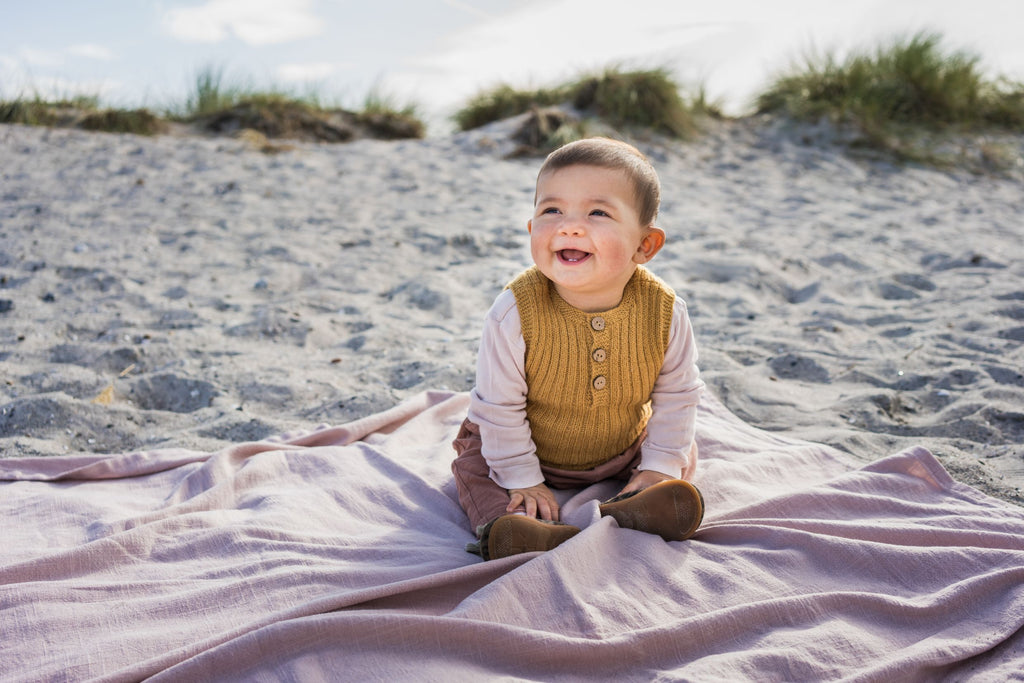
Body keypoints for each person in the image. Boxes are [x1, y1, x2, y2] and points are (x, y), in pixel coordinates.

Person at [452, 137, 705, 560]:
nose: (569, 226)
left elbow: (678, 396)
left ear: (645, 245)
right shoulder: (515, 310)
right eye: (552, 210)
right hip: (519, 441)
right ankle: (512, 528)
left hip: (621, 446)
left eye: (598, 213)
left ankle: (641, 503)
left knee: (676, 451)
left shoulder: (664, 311)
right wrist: (521, 477)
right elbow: (498, 406)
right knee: (475, 468)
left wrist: (658, 465)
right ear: (532, 229)